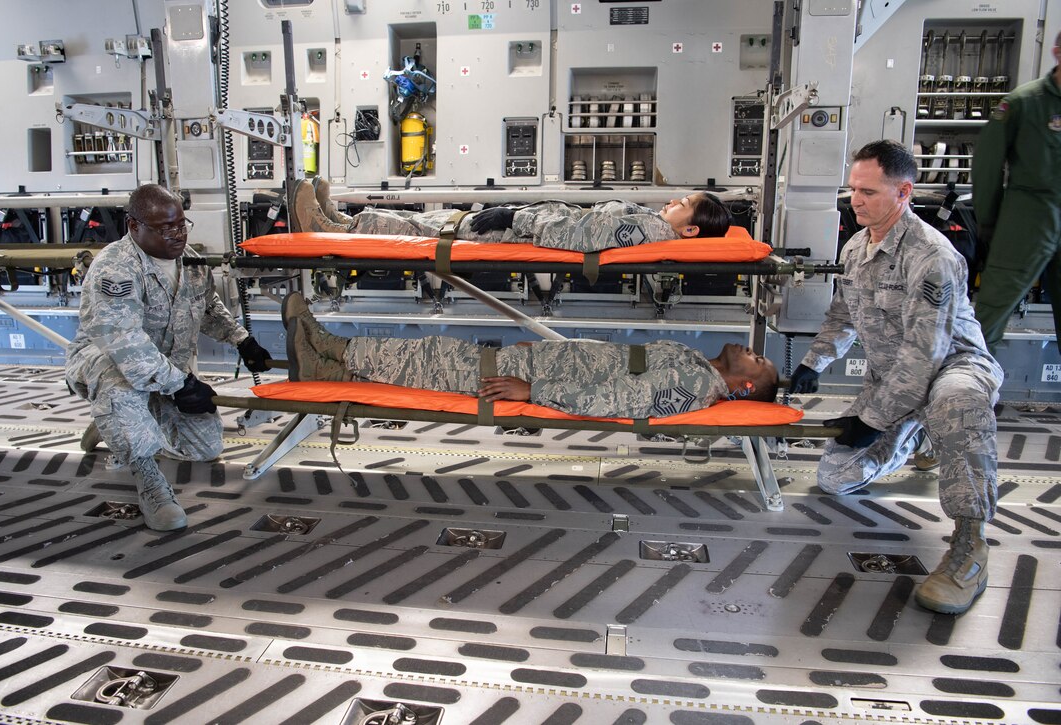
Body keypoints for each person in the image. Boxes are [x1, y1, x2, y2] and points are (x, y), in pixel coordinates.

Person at [788, 140, 1003, 615]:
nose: (855, 200)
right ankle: (921, 437)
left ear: (903, 192)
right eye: (852, 190)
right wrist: (813, 363)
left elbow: (926, 355)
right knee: (836, 477)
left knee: (956, 403)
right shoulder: (857, 247)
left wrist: (874, 417)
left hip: (952, 368)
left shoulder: (932, 256)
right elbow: (843, 315)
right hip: (894, 378)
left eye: (867, 191)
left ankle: (970, 547)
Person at [65, 184, 272, 531]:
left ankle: (114, 423)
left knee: (205, 448)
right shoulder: (115, 269)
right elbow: (126, 345)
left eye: (181, 224)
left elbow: (207, 307)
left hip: (165, 371)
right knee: (120, 385)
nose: (177, 234)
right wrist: (183, 384)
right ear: (134, 226)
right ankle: (149, 481)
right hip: (109, 364)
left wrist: (242, 340)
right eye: (165, 228)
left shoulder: (188, 261)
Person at [281, 292, 778, 418]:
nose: (749, 350)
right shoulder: (697, 368)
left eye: (756, 360)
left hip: (525, 379)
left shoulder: (694, 387)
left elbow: (616, 400)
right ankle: (320, 362)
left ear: (745, 387)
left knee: (423, 355)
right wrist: (544, 356)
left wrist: (533, 390)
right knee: (424, 358)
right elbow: (617, 364)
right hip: (535, 363)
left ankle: (327, 345)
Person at [290, 176, 732, 252]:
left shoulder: (645, 230)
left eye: (684, 205)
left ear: (690, 229)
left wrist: (512, 217)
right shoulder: (651, 227)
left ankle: (328, 228)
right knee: (434, 222)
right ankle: (338, 221)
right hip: (524, 225)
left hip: (519, 234)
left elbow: (578, 236)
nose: (674, 200)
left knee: (418, 229)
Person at [972, 30, 1061, 354]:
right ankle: (970, 396)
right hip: (1028, 219)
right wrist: (989, 221)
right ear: (1056, 52)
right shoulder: (1023, 103)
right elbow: (987, 165)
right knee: (988, 319)